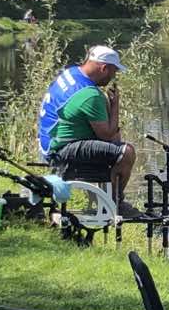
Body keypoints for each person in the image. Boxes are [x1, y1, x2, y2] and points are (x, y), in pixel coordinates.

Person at [36, 44, 137, 212]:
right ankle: (113, 204)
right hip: (61, 151)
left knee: (114, 144)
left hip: (48, 145)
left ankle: (104, 201)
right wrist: (114, 105)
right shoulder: (90, 94)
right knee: (126, 152)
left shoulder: (71, 74)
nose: (114, 77)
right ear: (104, 68)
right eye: (114, 72)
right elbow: (106, 135)